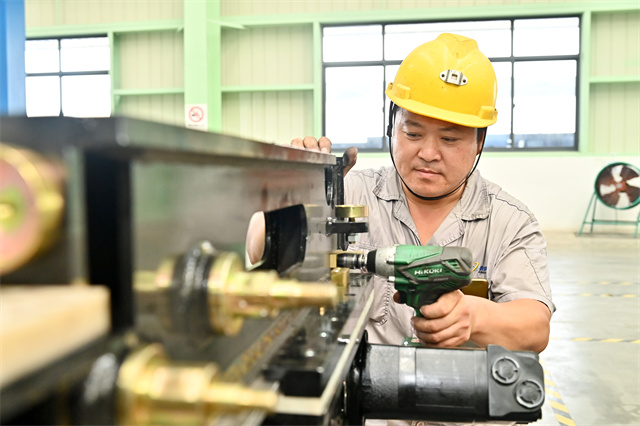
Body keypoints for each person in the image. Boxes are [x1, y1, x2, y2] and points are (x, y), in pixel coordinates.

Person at [291, 33, 554, 353]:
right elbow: (260, 248)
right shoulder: (350, 193)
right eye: (413, 133)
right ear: (391, 127)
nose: (428, 154)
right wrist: (293, 193)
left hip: (459, 384)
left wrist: (474, 317)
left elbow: (535, 329)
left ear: (479, 142)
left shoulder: (509, 222)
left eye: (450, 139)